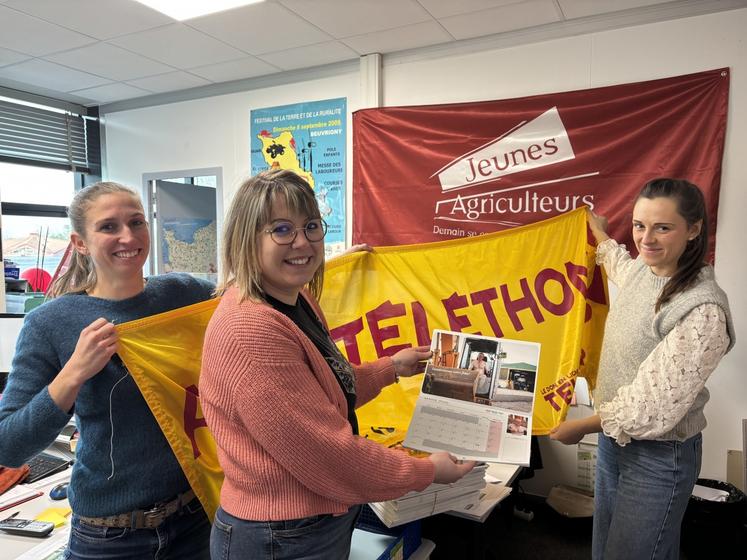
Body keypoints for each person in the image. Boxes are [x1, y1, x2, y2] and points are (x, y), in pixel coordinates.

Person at [200, 169, 475, 560]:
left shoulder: (297, 300)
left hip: (310, 523)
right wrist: (426, 472)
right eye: (281, 229)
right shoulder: (250, 329)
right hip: (279, 537)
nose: (303, 242)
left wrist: (391, 369)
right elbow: (325, 452)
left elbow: (325, 391)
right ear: (247, 238)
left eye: (311, 226)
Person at [0, 182, 214, 559]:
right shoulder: (49, 323)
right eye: (109, 227)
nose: (128, 237)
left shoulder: (183, 294)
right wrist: (74, 372)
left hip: (194, 520)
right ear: (80, 242)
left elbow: (251, 296)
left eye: (136, 222)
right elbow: (10, 445)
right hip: (110, 537)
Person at [549, 178, 735, 560]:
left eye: (662, 227)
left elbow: (648, 407)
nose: (646, 239)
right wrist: (598, 230)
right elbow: (616, 260)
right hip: (615, 441)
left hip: (658, 456)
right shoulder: (644, 270)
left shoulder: (702, 309)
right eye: (639, 225)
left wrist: (579, 427)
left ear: (694, 229)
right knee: (606, 550)